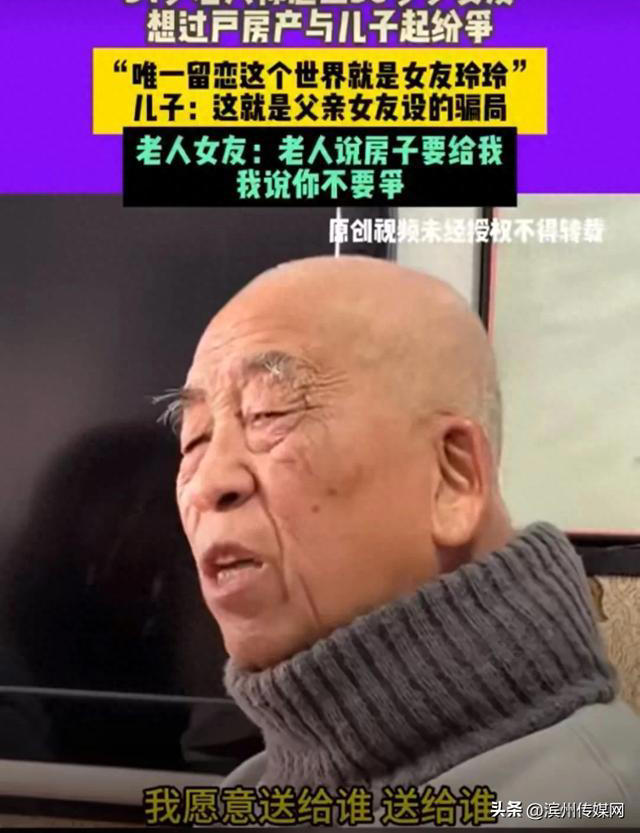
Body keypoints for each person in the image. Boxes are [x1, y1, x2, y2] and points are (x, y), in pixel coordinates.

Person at [171, 255, 640, 826]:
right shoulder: (251, 790)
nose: (208, 482)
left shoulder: (587, 803)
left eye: (269, 412)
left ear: (453, 479)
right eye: (194, 439)